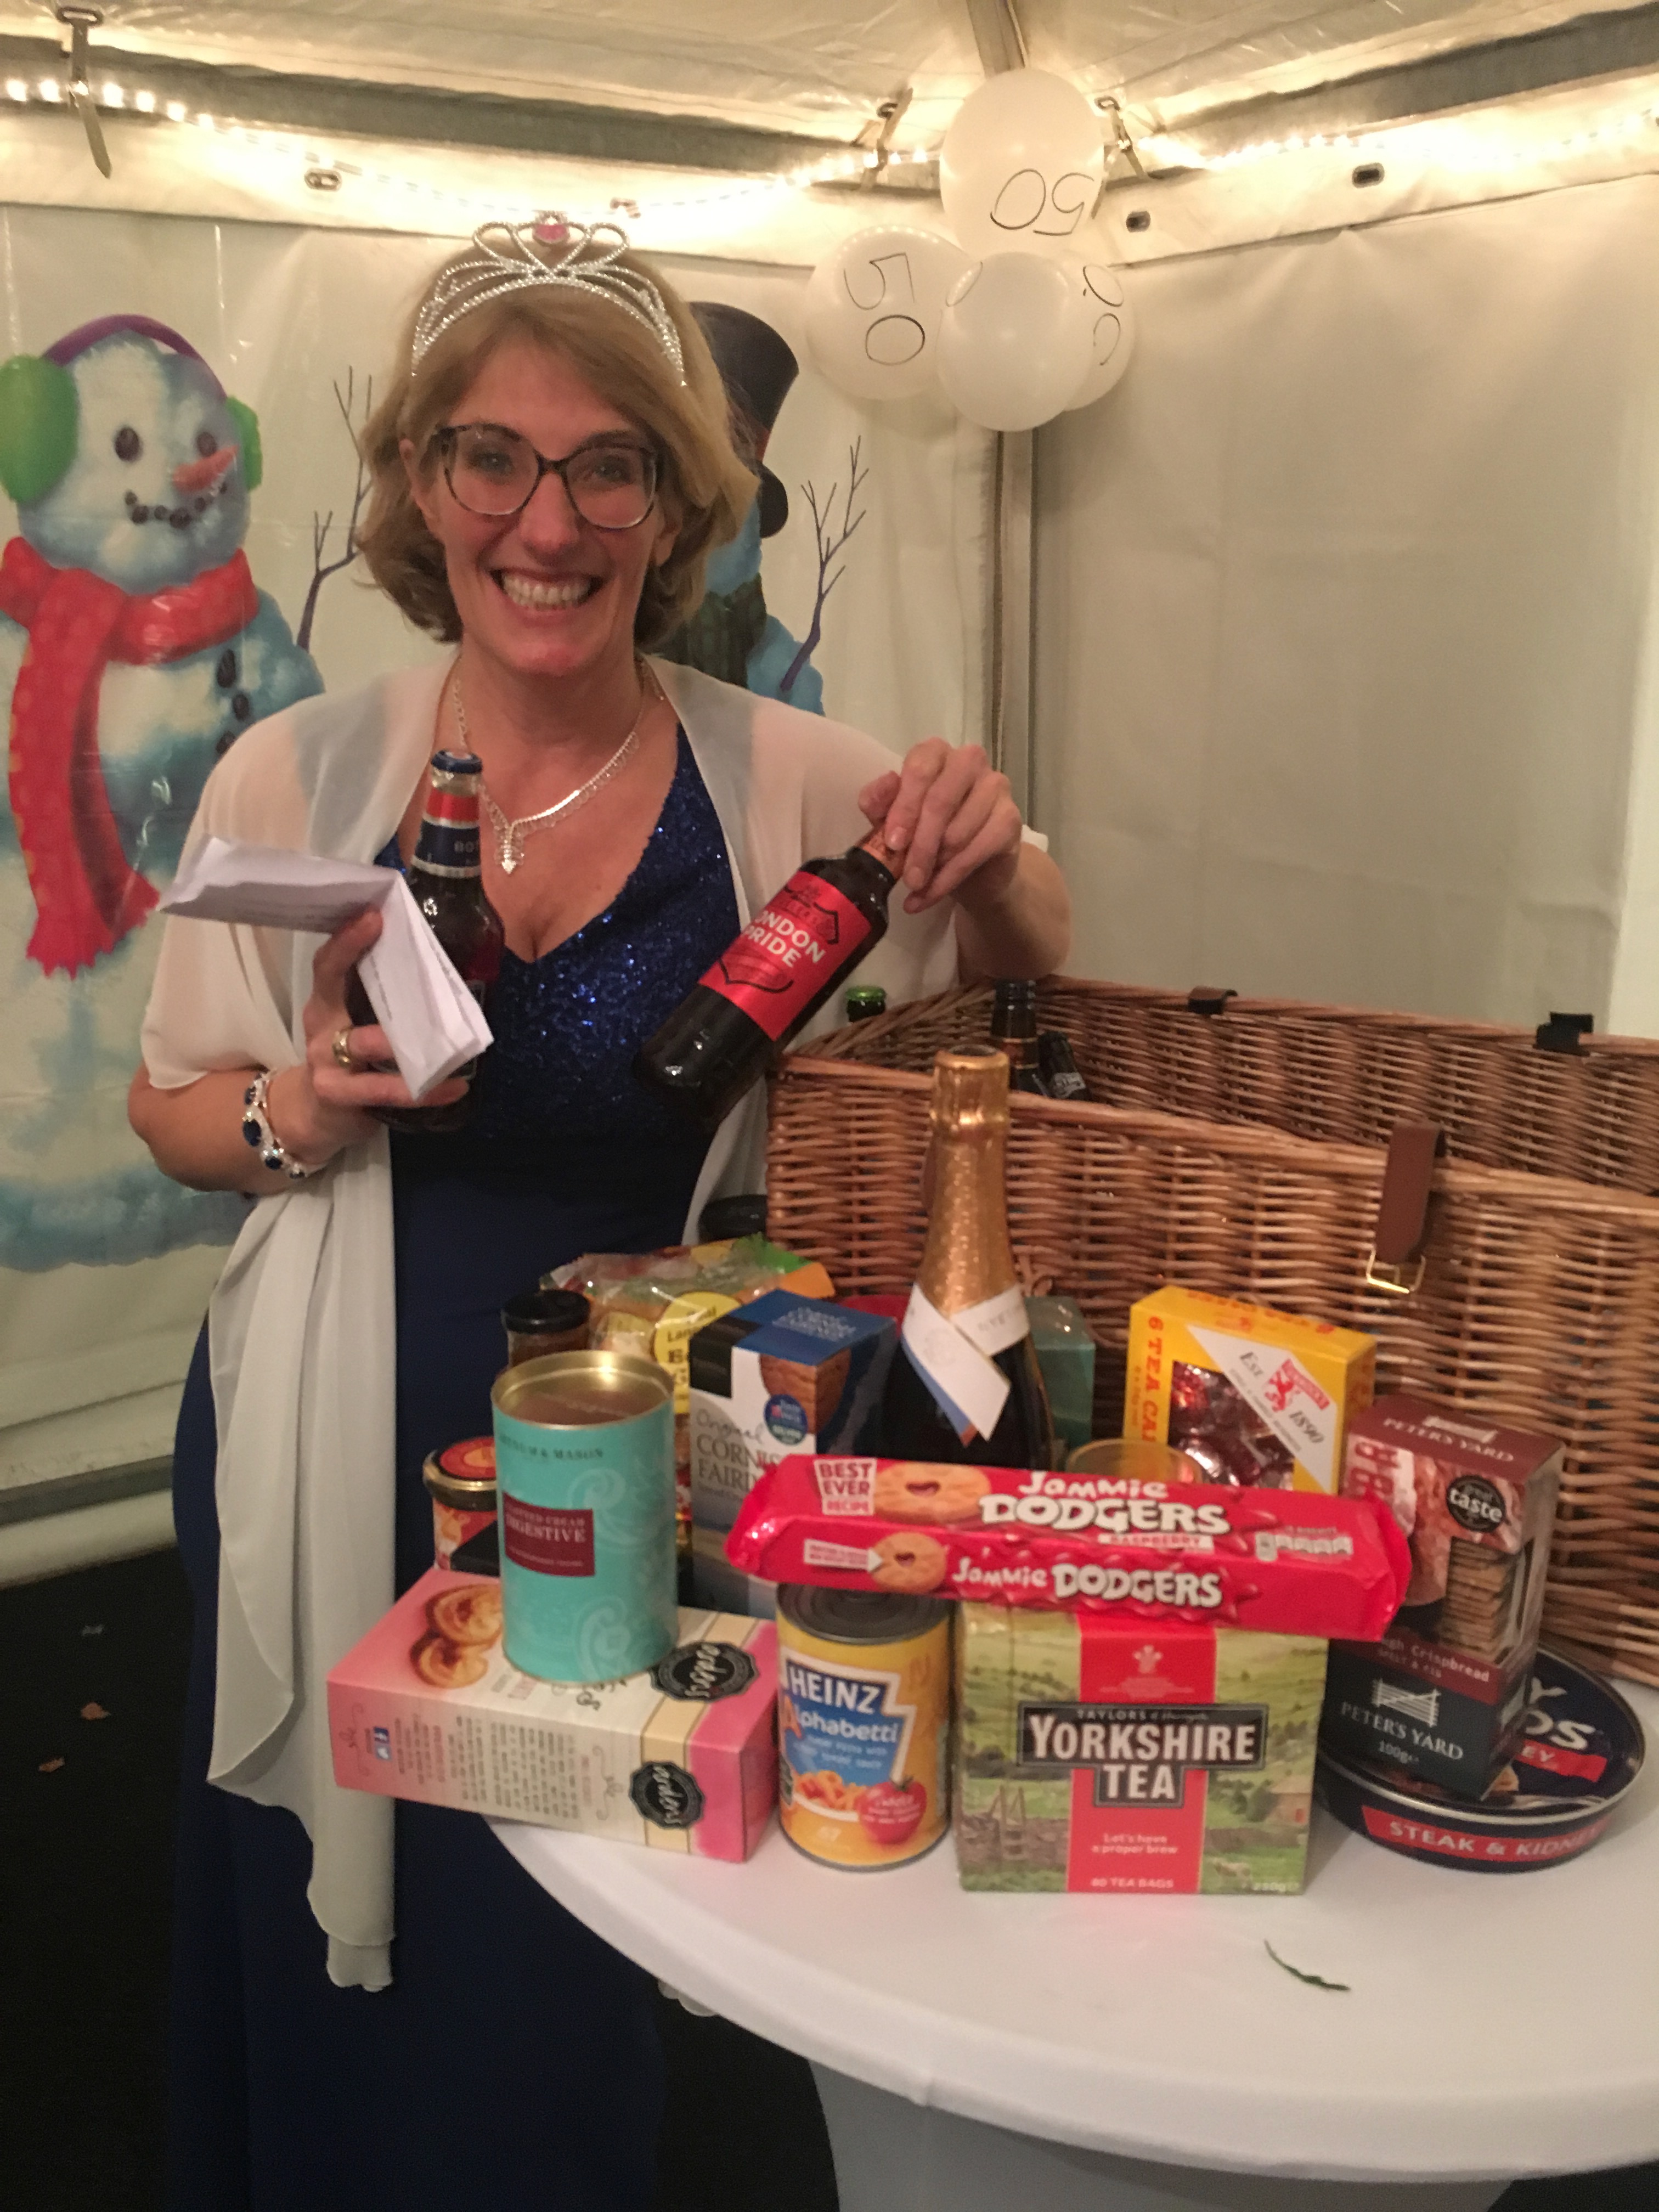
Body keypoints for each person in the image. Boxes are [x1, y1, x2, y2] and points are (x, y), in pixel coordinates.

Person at [129, 215, 1071, 2211]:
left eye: (608, 467)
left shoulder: (791, 777)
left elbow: (1034, 960)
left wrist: (993, 857)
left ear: (677, 505)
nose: (545, 522)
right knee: (343, 1911)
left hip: (639, 1445)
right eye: (491, 456)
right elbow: (175, 1110)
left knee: (566, 1938)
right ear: (421, 485)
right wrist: (300, 1108)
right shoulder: (294, 775)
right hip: (330, 1421)